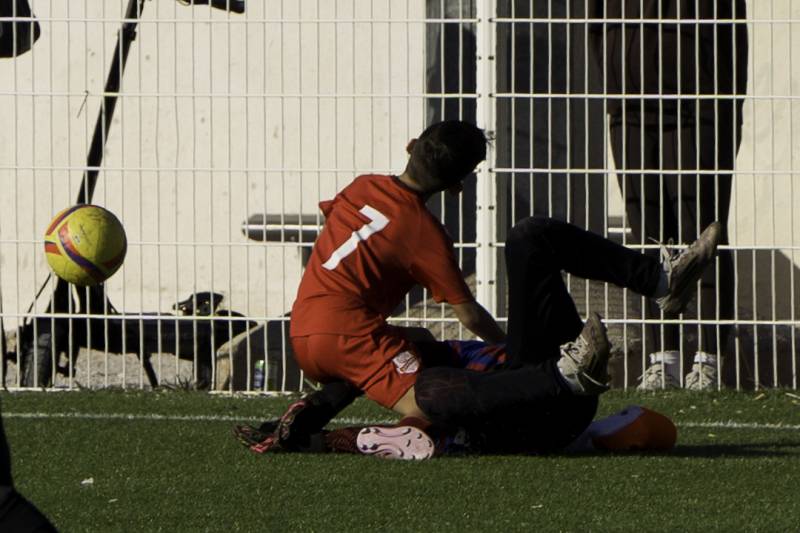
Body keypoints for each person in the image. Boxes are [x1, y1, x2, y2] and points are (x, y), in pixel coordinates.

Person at [235, 128, 722, 457]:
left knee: (529, 236)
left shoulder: (361, 188)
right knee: (425, 393)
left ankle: (660, 280)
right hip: (536, 410)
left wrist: (315, 417)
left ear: (410, 146)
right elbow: (466, 326)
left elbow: (344, 226)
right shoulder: (422, 235)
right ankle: (565, 375)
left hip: (316, 327)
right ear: (460, 186)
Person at [587, 0, 749, 389]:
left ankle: (708, 358)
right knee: (650, 233)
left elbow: (731, 34)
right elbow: (593, 27)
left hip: (700, 105)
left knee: (705, 232)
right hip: (629, 105)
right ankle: (664, 359)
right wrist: (613, 87)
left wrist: (722, 98)